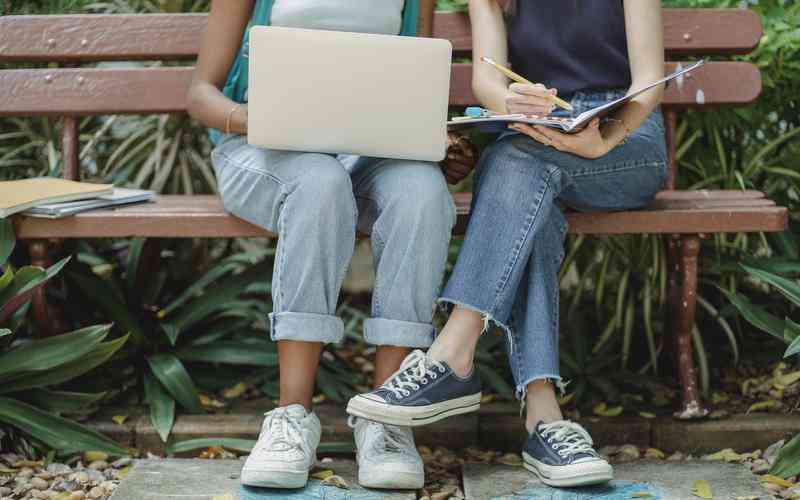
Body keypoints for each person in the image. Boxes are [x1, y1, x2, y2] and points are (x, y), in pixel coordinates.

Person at [348, 0, 668, 489]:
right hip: (538, 131)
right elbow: (487, 82)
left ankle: (452, 353)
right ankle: (545, 421)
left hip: (623, 140)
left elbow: (649, 82)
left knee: (515, 165)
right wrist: (512, 104)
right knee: (524, 183)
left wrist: (603, 138)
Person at [187, 0, 475, 491]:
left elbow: (412, 88)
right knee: (319, 185)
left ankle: (387, 420)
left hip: (369, 153)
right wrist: (253, 118)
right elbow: (200, 95)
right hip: (262, 150)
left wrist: (437, 141)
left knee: (423, 194)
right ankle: (291, 417)